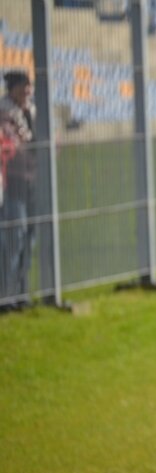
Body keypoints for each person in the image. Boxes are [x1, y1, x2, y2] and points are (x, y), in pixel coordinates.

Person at [0, 70, 36, 311]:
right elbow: (15, 147)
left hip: (34, 183)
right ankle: (5, 296)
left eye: (29, 86)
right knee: (14, 238)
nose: (27, 91)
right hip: (13, 184)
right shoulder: (4, 114)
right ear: (12, 88)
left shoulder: (32, 112)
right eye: (23, 86)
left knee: (30, 239)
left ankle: (21, 293)